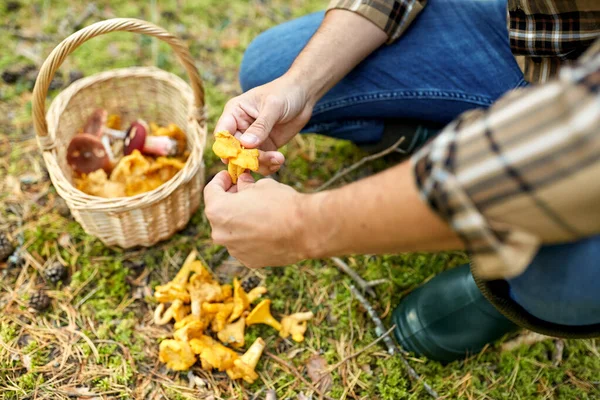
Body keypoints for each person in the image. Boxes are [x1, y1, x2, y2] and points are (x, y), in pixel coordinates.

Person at [204, 0, 600, 362]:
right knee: (269, 67)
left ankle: (509, 289)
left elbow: (570, 156)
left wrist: (300, 226)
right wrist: (300, 85)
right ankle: (442, 144)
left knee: (565, 264)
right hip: (539, 38)